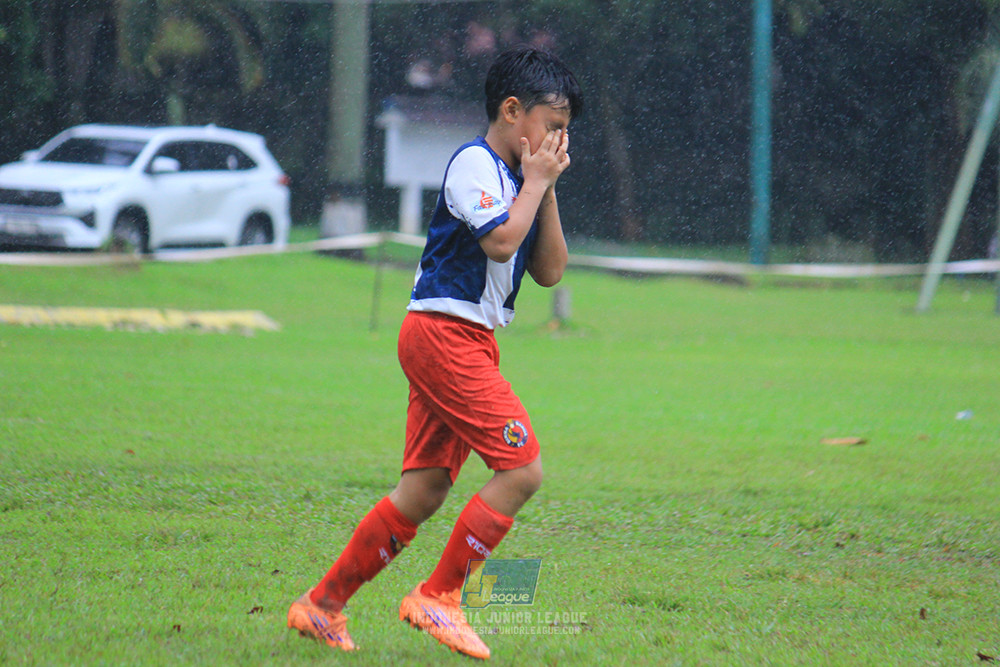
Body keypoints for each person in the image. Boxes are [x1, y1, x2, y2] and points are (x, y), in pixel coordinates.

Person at [286, 44, 583, 660]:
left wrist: (544, 188)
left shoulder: (526, 181)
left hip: (468, 340)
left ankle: (321, 606)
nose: (559, 141)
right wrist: (533, 185)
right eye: (552, 127)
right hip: (445, 335)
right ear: (510, 111)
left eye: (565, 133)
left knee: (421, 492)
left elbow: (550, 271)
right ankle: (439, 596)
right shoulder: (473, 165)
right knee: (522, 470)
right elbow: (502, 243)